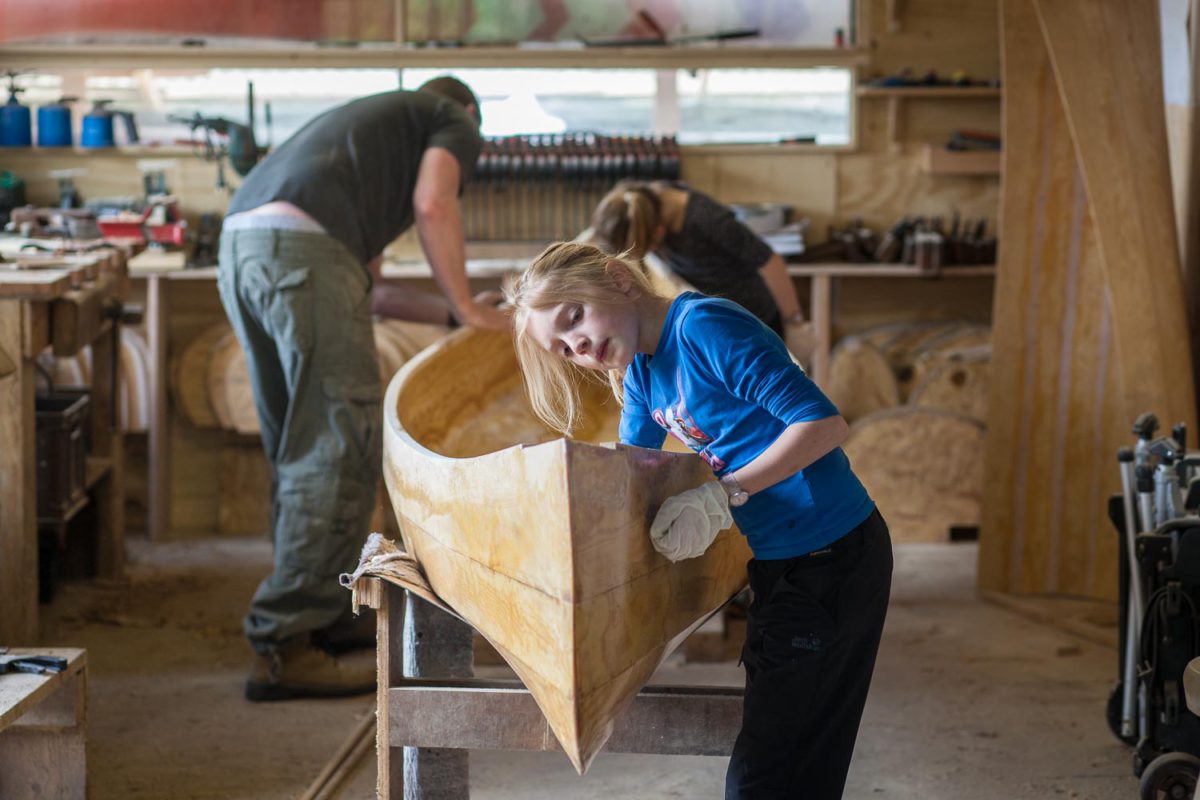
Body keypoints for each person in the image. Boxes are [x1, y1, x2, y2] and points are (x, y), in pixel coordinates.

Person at [505, 241, 892, 799]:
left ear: (618, 279)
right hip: (782, 563)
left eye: (574, 317)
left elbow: (824, 425)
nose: (580, 346)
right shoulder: (639, 372)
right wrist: (549, 517)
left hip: (834, 556)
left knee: (769, 772)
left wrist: (722, 495)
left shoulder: (703, 327)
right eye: (564, 349)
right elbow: (628, 475)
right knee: (790, 760)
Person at [218, 76, 508, 702]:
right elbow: (436, 204)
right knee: (337, 445)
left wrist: (455, 317)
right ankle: (285, 643)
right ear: (466, 114)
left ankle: (316, 613)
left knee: (302, 448)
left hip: (243, 247)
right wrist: (467, 302)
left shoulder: (359, 148)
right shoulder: (451, 117)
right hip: (301, 255)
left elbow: (367, 289)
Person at [590, 180, 808, 342]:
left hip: (754, 321)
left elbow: (770, 261)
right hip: (716, 321)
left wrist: (794, 323)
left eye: (649, 248)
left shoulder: (705, 219)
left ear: (657, 232)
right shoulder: (639, 206)